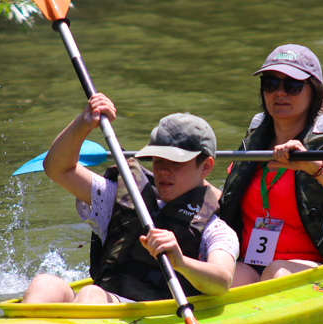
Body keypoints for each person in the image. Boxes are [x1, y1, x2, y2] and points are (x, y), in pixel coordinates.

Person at [22, 93, 239, 304]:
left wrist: (180, 262)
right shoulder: (121, 196)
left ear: (206, 166)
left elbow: (222, 280)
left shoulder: (215, 229)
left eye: (176, 163)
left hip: (151, 314)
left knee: (91, 294)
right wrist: (83, 124)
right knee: (45, 283)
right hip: (103, 303)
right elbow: (57, 169)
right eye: (158, 161)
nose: (164, 171)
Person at [219, 44, 323, 286]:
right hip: (254, 264)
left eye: (292, 85)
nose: (280, 93)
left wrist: (314, 167)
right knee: (221, 275)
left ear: (314, 92)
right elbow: (227, 201)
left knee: (277, 273)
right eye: (271, 83)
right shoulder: (255, 139)